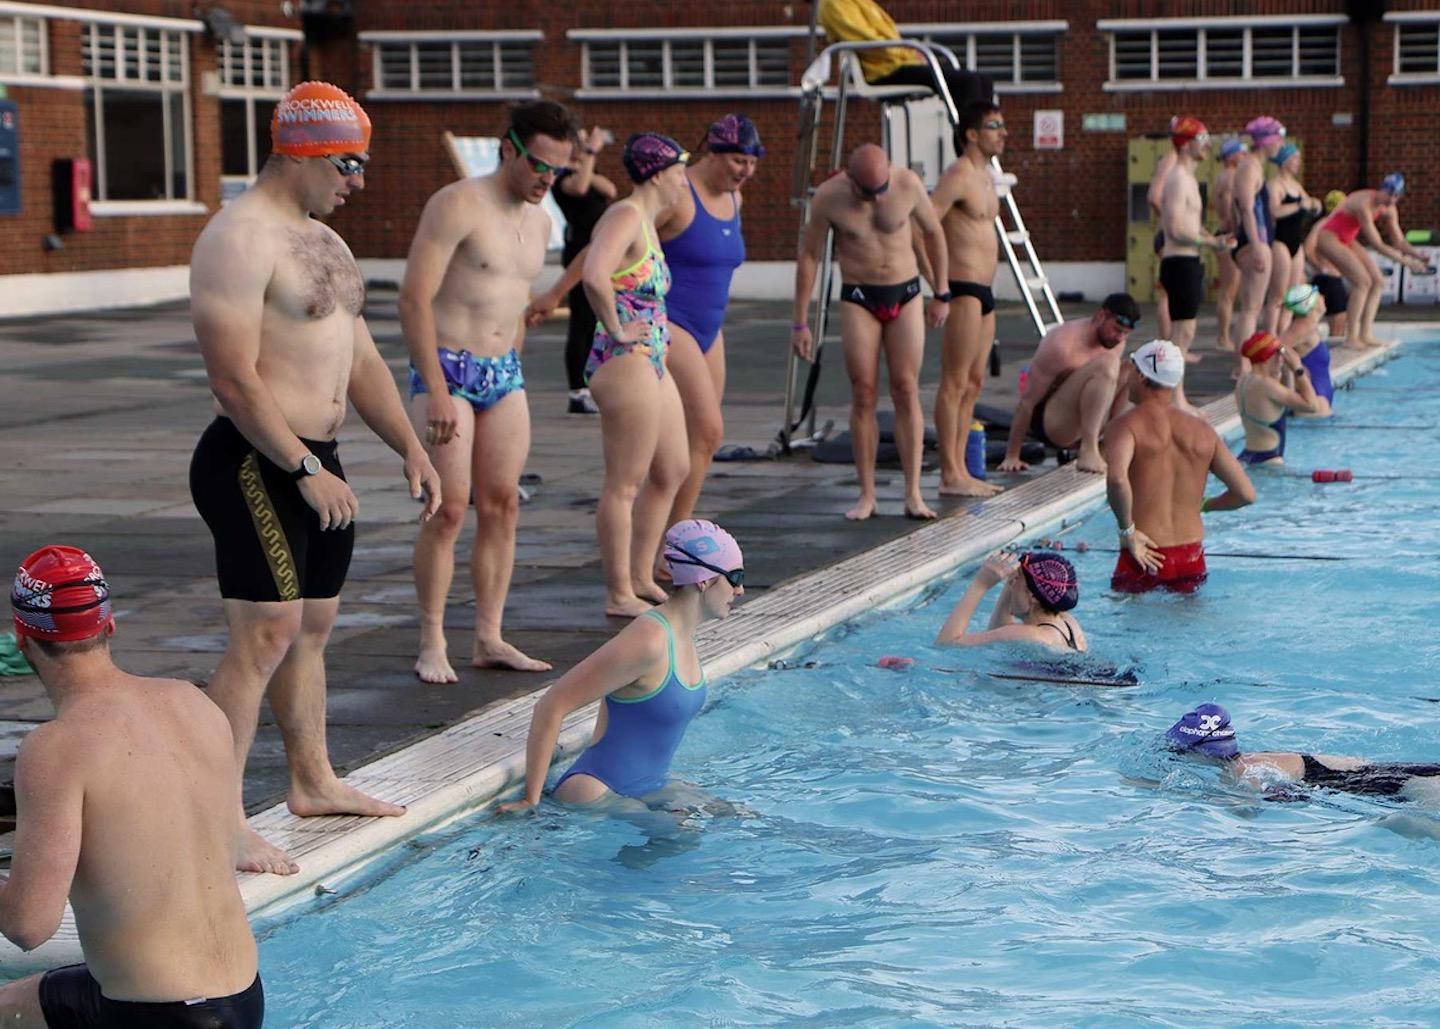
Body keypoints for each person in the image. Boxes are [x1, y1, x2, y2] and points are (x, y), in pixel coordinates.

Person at [188, 81, 442, 875]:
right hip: (255, 456)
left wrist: (409, 444)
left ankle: (312, 779)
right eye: (349, 163)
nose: (357, 181)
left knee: (314, 627)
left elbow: (357, 356)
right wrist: (299, 466)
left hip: (318, 461)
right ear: (302, 151)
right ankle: (218, 818)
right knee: (264, 631)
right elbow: (232, 378)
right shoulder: (236, 239)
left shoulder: (323, 240)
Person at [0, 546, 264, 1027]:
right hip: (245, 1000)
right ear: (109, 625)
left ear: (22, 639)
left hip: (150, 1015)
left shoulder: (55, 748)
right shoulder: (195, 704)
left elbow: (28, 926)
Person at [399, 101, 578, 682]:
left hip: (504, 372)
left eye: (559, 172)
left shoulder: (544, 221)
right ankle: (431, 639)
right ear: (509, 148)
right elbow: (413, 299)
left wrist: (514, 365)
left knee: (502, 504)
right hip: (446, 368)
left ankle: (489, 637)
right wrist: (436, 388)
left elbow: (513, 305)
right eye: (540, 166)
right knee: (448, 509)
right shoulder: (456, 205)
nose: (547, 180)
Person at [496, 520, 743, 814]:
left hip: (647, 785)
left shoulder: (683, 635)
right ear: (704, 580)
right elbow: (551, 704)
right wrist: (530, 800)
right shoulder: (649, 640)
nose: (740, 590)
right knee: (680, 834)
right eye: (735, 577)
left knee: (737, 816)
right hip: (597, 787)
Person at [792, 143, 950, 521]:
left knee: (906, 388)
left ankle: (913, 493)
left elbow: (934, 234)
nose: (876, 199)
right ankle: (867, 495)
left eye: (880, 191)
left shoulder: (908, 185)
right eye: (868, 193)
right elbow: (809, 256)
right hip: (859, 296)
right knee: (863, 392)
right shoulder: (829, 197)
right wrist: (801, 321)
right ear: (850, 179)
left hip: (906, 293)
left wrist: (941, 291)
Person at [582, 133, 693, 616]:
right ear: (659, 172)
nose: (684, 181)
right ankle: (617, 591)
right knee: (625, 481)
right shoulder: (625, 215)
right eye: (680, 171)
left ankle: (642, 574)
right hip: (623, 359)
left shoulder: (645, 221)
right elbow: (593, 272)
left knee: (673, 469)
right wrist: (614, 327)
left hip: (652, 358)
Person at [654, 114, 764, 528]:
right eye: (738, 161)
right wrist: (560, 293)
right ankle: (670, 539)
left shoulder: (736, 199)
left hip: (708, 329)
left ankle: (672, 532)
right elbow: (617, 239)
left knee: (694, 440)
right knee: (708, 431)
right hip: (670, 321)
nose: (746, 172)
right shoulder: (678, 195)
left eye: (752, 164)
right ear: (713, 153)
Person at [1106, 340, 1255, 593]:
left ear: (1142, 375)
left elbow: (1117, 480)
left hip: (1144, 552)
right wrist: (1205, 504)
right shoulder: (1203, 431)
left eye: (1131, 369)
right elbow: (1245, 494)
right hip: (1191, 557)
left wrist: (1127, 531)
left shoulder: (1126, 425)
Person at [930, 102, 1006, 498]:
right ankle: (949, 473)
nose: (1003, 133)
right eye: (994, 126)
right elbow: (923, 224)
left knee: (974, 382)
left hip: (985, 291)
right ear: (972, 134)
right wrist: (938, 285)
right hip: (961, 288)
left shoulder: (988, 176)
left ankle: (960, 469)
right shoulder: (958, 174)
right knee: (954, 381)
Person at [1167, 704, 1440, 804]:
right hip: (1403, 770)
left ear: (1198, 751)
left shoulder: (1240, 771)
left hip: (1398, 787)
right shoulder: (1262, 757)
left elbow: (1245, 812)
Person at [999, 294, 1139, 475]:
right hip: (1054, 425)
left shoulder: (1115, 342)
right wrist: (1012, 454)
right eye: (1117, 330)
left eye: (1125, 333)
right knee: (1107, 364)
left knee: (1133, 371)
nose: (1120, 338)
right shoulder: (1062, 344)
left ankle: (1106, 448)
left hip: (1087, 421)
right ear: (1101, 316)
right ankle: (1088, 450)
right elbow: (1028, 401)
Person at [1159, 116, 1231, 399]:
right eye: (1202, 140)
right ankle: (1173, 397)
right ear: (1186, 144)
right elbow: (1175, 228)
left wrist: (1214, 240)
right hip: (1179, 262)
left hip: (1187, 261)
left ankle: (1173, 396)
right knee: (1182, 334)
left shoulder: (1187, 178)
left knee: (1185, 333)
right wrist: (1206, 242)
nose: (1208, 145)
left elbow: (1189, 223)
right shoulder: (1177, 179)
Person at [1315, 173, 1432, 348]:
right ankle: (1351, 338)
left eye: (1396, 196)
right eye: (1390, 195)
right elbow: (1376, 244)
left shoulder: (1389, 208)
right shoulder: (1363, 203)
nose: (1392, 200)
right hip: (1328, 237)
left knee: (1378, 281)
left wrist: (1417, 255)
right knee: (1362, 282)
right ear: (1382, 189)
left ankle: (1366, 334)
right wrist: (1406, 262)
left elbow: (1399, 241)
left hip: (1347, 239)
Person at [815, 0, 994, 110]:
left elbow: (887, 39)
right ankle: (970, 151)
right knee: (968, 83)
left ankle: (984, 142)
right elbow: (869, 42)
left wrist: (910, 54)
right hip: (883, 71)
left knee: (983, 80)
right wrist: (908, 52)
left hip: (897, 64)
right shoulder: (834, 4)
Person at [553, 127, 618, 415]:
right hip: (581, 253)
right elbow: (579, 188)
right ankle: (577, 391)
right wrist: (589, 153)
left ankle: (596, 383)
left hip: (601, 254)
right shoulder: (561, 177)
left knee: (598, 320)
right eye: (578, 141)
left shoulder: (585, 172)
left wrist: (588, 161)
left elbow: (610, 190)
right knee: (582, 321)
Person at [936, 550, 1086, 652]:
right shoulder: (1068, 623)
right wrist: (1014, 578)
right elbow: (998, 632)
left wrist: (980, 585)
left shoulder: (1031, 635)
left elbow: (946, 644)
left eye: (1014, 581)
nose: (1010, 585)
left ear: (1033, 596)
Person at [1230, 116, 1285, 360]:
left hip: (1258, 240)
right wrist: (1256, 245)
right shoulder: (1249, 167)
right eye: (1279, 139)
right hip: (1254, 241)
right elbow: (1246, 209)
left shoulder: (1255, 166)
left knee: (1254, 308)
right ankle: (1241, 366)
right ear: (1266, 141)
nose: (1281, 145)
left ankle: (1248, 363)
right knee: (1251, 310)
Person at [1233, 330, 1319, 465]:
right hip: (1268, 460)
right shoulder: (1268, 387)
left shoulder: (1243, 381)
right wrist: (1298, 369)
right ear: (1267, 359)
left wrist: (1286, 371)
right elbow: (1312, 406)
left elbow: (1286, 399)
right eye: (1278, 355)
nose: (1281, 359)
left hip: (1246, 456)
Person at [1265, 143, 1322, 334]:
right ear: (1285, 161)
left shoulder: (1296, 185)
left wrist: (1314, 205)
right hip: (1280, 241)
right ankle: (1271, 336)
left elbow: (1310, 205)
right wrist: (1300, 205)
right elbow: (1274, 212)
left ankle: (1284, 335)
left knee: (1292, 295)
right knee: (1277, 295)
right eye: (1295, 158)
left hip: (1296, 243)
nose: (1298, 162)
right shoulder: (1275, 185)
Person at [1211, 139, 1247, 353]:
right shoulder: (1231, 177)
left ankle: (1225, 336)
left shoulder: (1222, 177)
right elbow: (1227, 209)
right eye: (1240, 153)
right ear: (1231, 156)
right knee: (1229, 288)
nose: (1244, 157)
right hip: (1229, 235)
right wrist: (1237, 232)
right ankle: (1223, 338)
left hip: (1227, 234)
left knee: (1231, 288)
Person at [1278, 283, 1333, 416]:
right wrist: (1295, 371)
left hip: (1318, 397)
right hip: (1312, 400)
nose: (1322, 296)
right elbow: (1275, 350)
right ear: (1310, 303)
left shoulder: (1310, 326)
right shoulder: (1303, 328)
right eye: (1318, 294)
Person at [1305, 190, 1351, 343]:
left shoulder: (1333, 224)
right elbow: (1308, 248)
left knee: (1339, 323)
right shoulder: (1324, 224)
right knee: (1337, 324)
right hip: (1328, 279)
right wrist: (1321, 268)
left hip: (1333, 279)